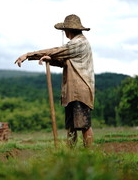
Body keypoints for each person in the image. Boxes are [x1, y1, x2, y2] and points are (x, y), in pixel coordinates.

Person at [15, 14, 94, 148]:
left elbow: (57, 51)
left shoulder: (79, 43)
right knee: (71, 127)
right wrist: (50, 60)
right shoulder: (74, 44)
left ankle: (90, 154)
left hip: (80, 91)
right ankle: (70, 155)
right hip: (71, 91)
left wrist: (28, 55)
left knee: (83, 124)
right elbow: (64, 61)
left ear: (68, 31)